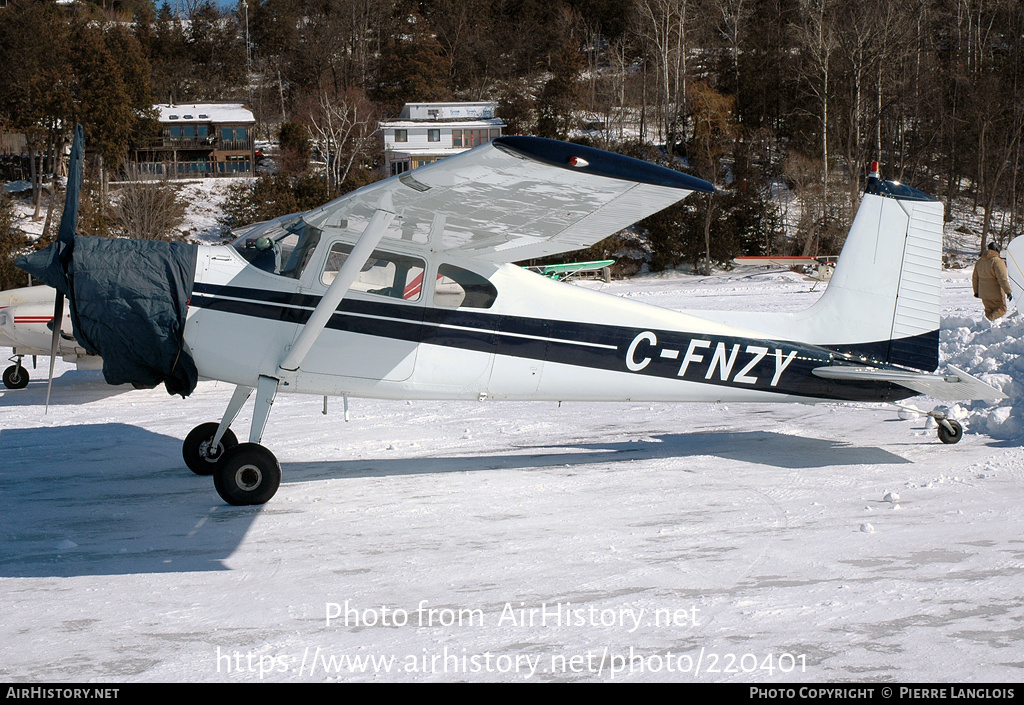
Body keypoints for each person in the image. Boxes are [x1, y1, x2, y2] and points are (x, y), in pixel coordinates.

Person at [973, 242, 1013, 320]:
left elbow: (975, 278)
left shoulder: (980, 262)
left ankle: (988, 328)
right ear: (996, 250)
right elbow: (1002, 278)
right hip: (995, 292)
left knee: (989, 310)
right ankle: (990, 322)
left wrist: (976, 291)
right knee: (1002, 309)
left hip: (983, 293)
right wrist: (1008, 291)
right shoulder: (997, 261)